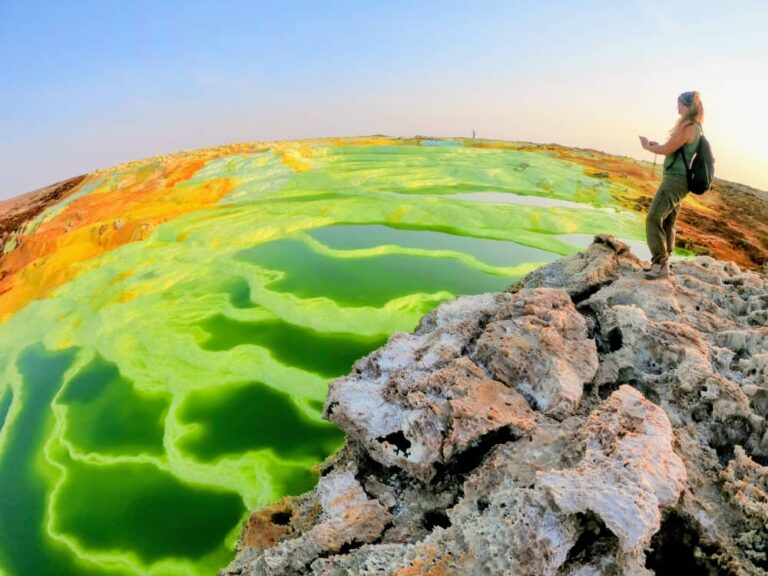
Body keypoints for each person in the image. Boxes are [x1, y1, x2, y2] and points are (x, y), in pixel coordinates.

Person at [639, 91, 703, 279]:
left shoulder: (689, 127)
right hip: (678, 179)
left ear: (687, 105)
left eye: (679, 104)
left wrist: (647, 147)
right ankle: (664, 263)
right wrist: (657, 145)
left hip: (675, 180)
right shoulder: (694, 126)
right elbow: (673, 149)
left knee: (653, 218)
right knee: (668, 220)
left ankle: (660, 263)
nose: (677, 108)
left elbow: (668, 149)